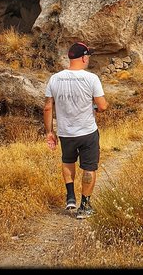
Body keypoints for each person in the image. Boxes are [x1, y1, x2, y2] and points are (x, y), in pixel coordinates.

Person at [44, 41, 108, 219]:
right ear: (84, 58)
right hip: (87, 132)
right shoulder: (91, 79)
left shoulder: (55, 79)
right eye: (88, 56)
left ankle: (70, 197)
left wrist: (50, 132)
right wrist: (96, 106)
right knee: (89, 168)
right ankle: (84, 207)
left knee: (68, 161)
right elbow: (102, 106)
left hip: (66, 133)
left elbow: (48, 107)